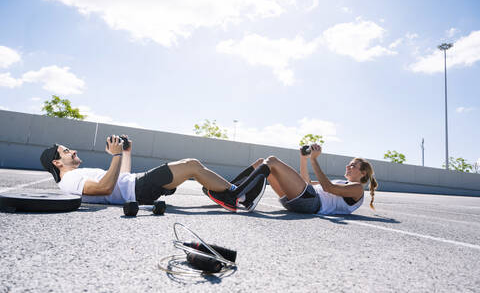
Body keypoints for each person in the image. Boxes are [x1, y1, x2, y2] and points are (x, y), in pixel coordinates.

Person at [40, 135, 265, 213]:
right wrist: (115, 156)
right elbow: (104, 189)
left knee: (191, 169)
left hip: (136, 185)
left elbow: (119, 179)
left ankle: (227, 195)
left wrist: (125, 153)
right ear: (57, 162)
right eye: (67, 151)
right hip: (138, 190)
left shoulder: (75, 175)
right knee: (191, 165)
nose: (73, 151)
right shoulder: (69, 180)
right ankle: (237, 196)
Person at [207, 144, 378, 215]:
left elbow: (327, 189)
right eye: (349, 164)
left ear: (363, 173)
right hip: (302, 199)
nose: (348, 167)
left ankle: (234, 196)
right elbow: (307, 184)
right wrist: (304, 159)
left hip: (312, 203)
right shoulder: (344, 183)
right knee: (263, 162)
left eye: (353, 166)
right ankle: (229, 190)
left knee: (272, 160)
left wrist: (314, 160)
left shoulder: (356, 189)